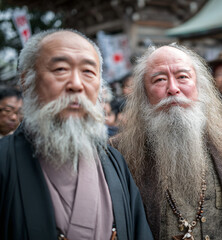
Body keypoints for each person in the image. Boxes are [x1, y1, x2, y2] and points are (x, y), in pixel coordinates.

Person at [0, 29, 153, 240]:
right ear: (27, 82)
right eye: (61, 69)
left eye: (88, 72)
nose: (76, 84)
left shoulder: (115, 162)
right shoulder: (4, 161)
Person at [111, 43, 222, 240]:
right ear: (144, 94)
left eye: (183, 77)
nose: (173, 88)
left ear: (200, 87)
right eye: (160, 80)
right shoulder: (120, 151)